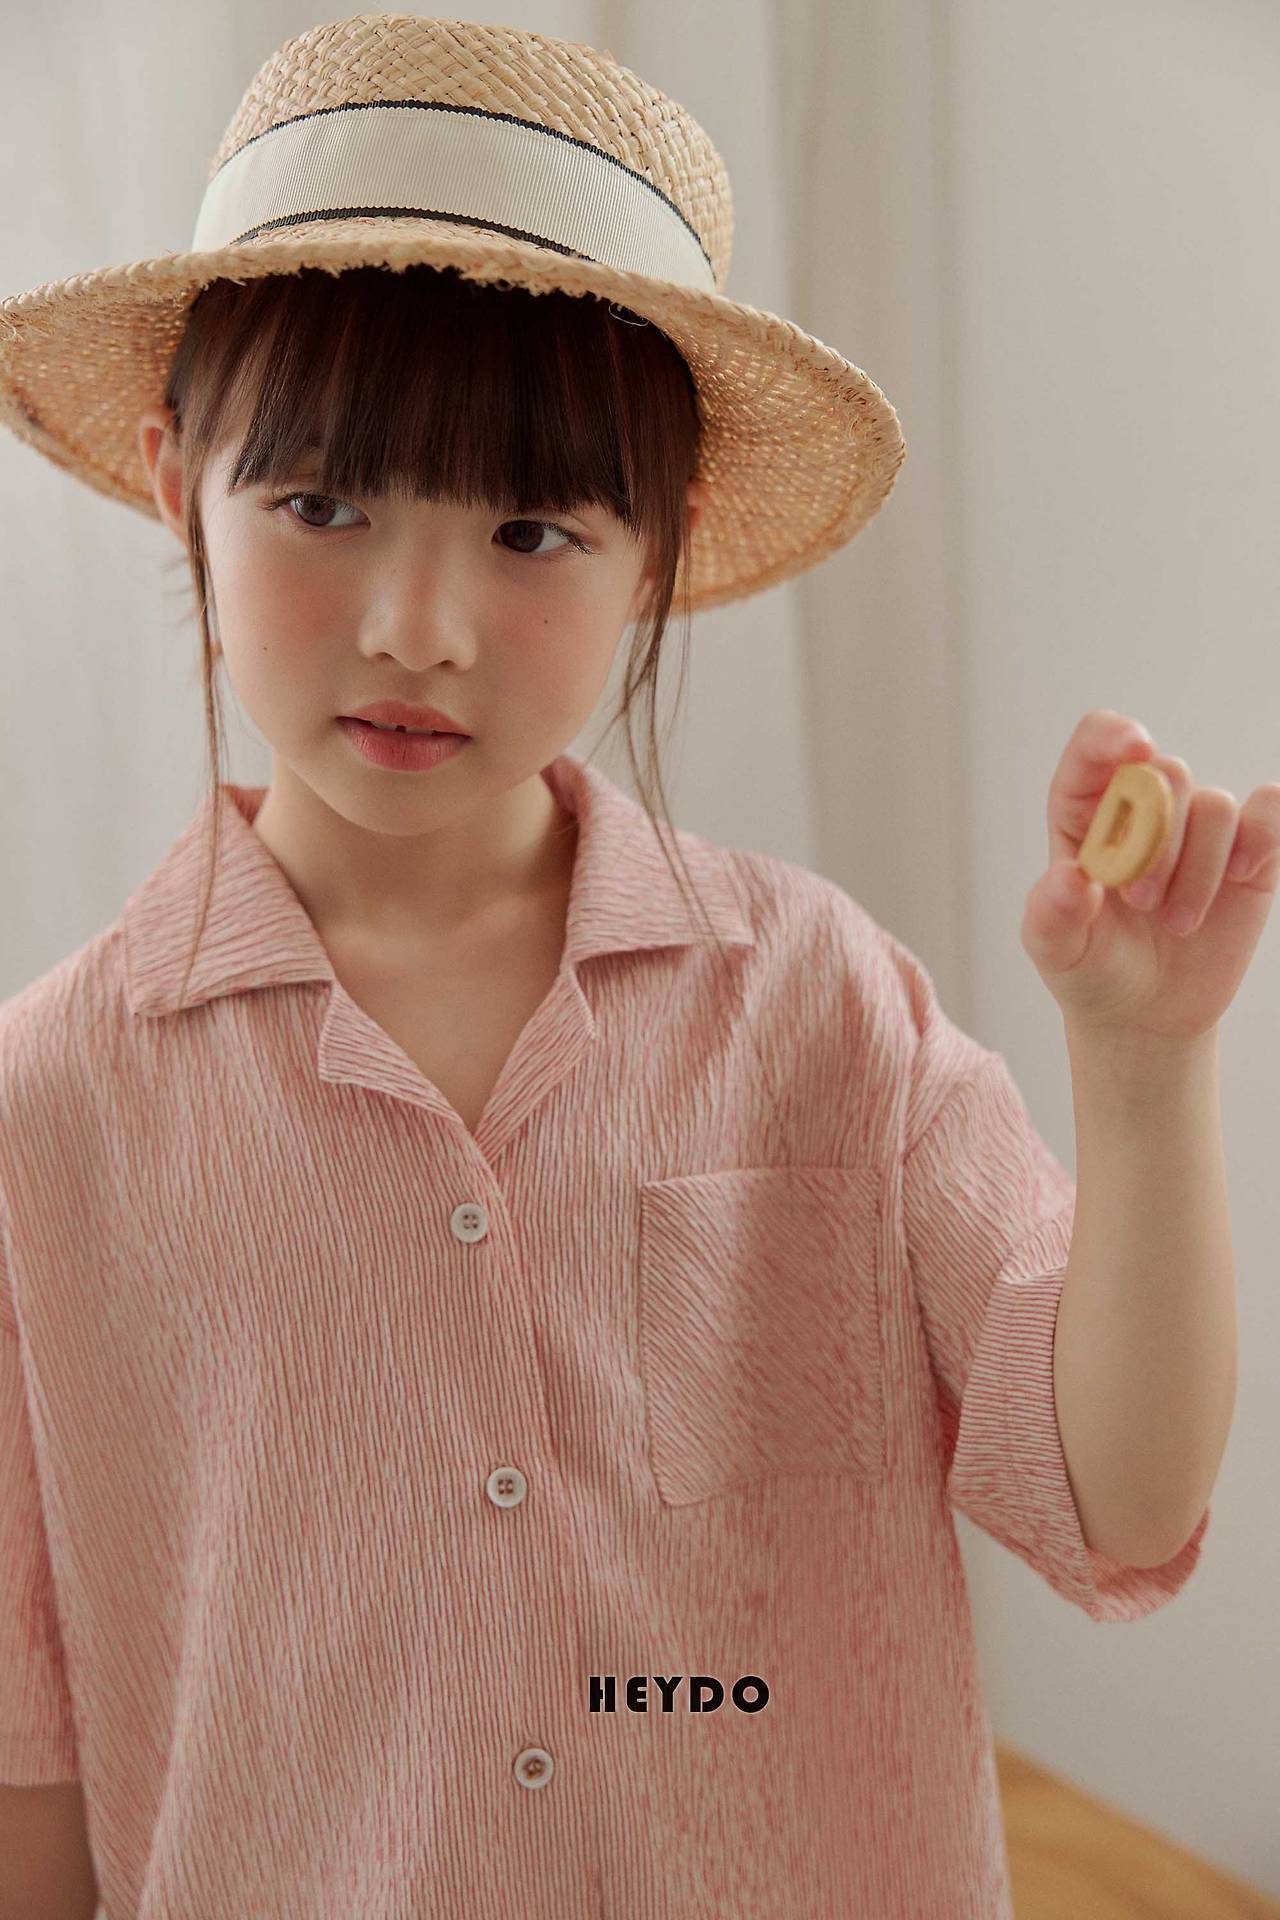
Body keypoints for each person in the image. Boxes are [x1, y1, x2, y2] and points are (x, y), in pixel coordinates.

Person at [0, 17, 1211, 1920]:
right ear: (174, 484)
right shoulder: (48, 1108)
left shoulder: (820, 1005)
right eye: (322, 504)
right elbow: (31, 1772)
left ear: (663, 551)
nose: (420, 627)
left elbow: (1123, 1504)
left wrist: (1143, 1070)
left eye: (531, 529)